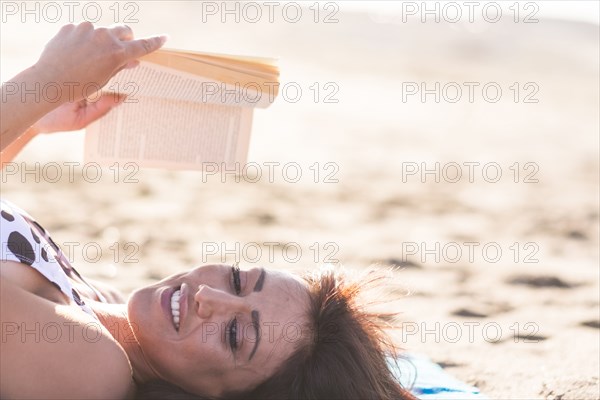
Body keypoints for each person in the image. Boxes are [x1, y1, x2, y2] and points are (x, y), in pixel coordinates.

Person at [0, 23, 417, 400]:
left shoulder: (92, 371)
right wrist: (31, 126)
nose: (208, 297)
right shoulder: (101, 302)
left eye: (235, 335)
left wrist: (43, 83)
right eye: (237, 280)